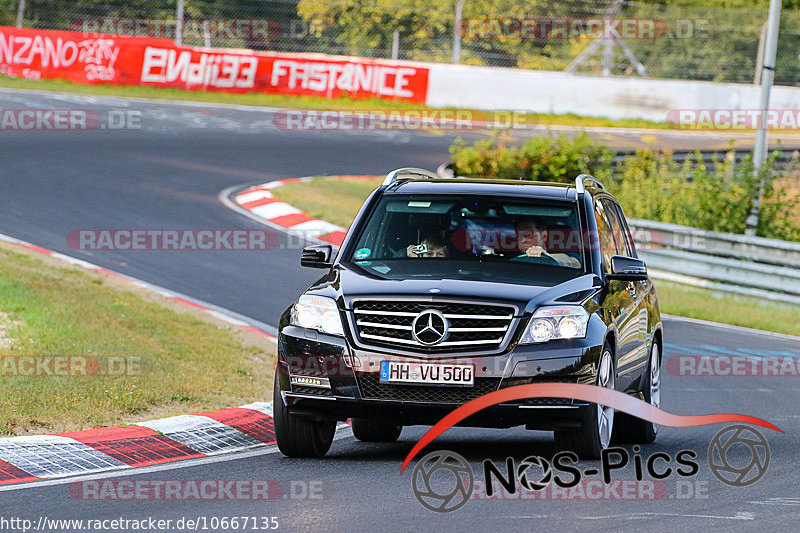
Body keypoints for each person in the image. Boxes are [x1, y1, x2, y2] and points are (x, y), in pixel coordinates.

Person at [513, 218, 581, 268]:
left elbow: (574, 263)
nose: (522, 240)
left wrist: (545, 256)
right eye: (519, 236)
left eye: (528, 234)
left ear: (544, 236)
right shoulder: (508, 258)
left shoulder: (565, 251)